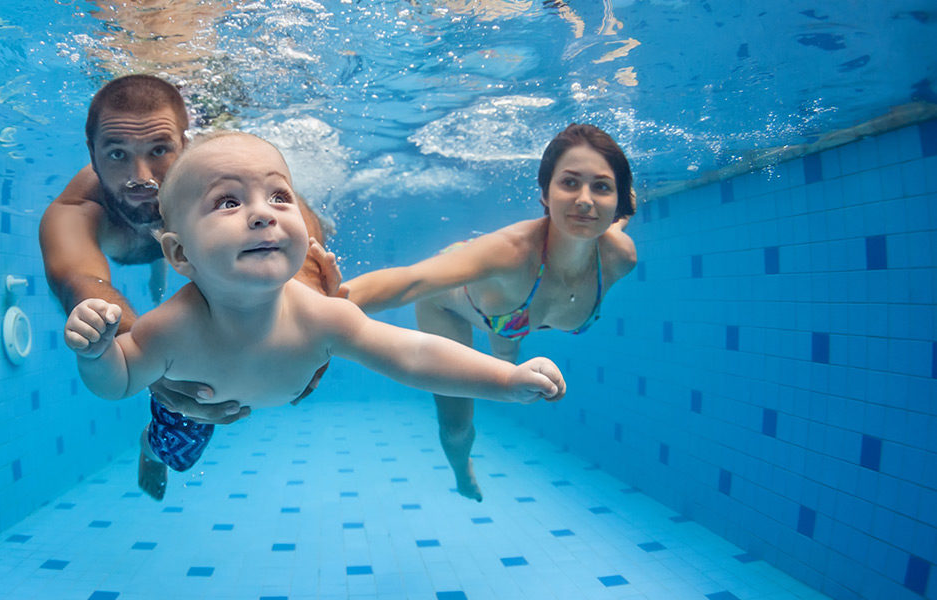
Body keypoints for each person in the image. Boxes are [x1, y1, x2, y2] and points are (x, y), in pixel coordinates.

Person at [64, 132, 567, 464]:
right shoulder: (169, 330)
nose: (263, 214)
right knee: (175, 453)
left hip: (247, 391)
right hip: (192, 406)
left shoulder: (324, 318)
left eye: (279, 196)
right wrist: (97, 352)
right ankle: (149, 453)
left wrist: (505, 379)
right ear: (179, 254)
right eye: (228, 202)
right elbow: (122, 381)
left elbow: (414, 354)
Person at [39, 74, 340, 500]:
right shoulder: (77, 211)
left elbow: (290, 218)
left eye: (159, 150)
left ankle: (168, 270)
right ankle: (152, 449)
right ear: (92, 154)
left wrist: (310, 308)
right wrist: (148, 357)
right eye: (117, 154)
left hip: (207, 275)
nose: (140, 178)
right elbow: (82, 280)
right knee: (180, 445)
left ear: (186, 144)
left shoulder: (216, 178)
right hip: (183, 267)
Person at [343, 123, 637, 501]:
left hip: (512, 307)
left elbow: (608, 219)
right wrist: (317, 301)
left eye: (601, 187)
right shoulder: (510, 252)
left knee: (509, 336)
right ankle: (461, 470)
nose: (584, 200)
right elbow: (410, 282)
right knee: (456, 423)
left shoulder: (618, 258)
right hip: (451, 301)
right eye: (569, 183)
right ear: (545, 193)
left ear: (617, 201)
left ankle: (504, 345)